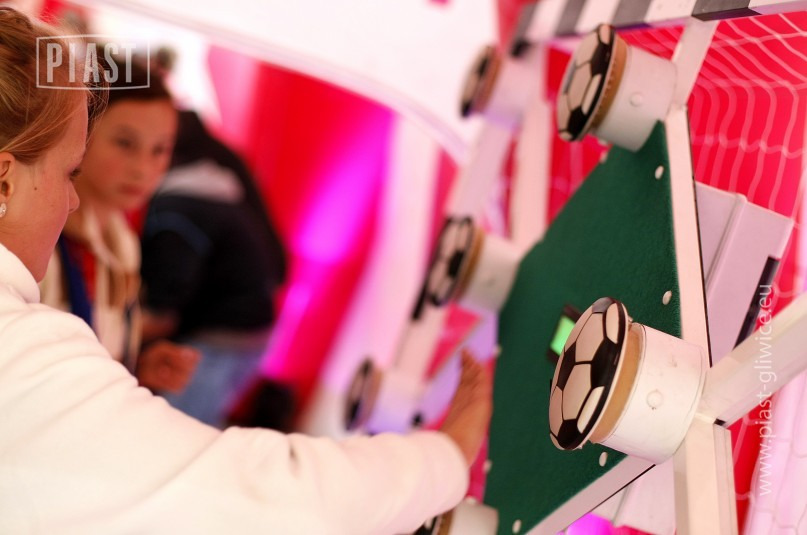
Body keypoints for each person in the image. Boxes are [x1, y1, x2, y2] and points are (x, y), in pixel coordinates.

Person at [0, 7, 491, 534]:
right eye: (69, 170)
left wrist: (125, 372)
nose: (72, 199)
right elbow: (246, 494)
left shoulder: (119, 244)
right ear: (5, 182)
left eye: (160, 150)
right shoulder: (28, 338)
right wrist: (446, 454)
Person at [38, 56, 199, 394]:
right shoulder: (38, 239)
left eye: (160, 150)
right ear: (79, 131)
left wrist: (133, 370)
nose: (143, 169)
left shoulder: (122, 243)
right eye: (125, 143)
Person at [139, 109, 287, 427]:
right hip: (251, 331)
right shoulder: (212, 188)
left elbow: (162, 310)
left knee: (173, 433)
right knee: (196, 429)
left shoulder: (179, 208)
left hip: (219, 339)